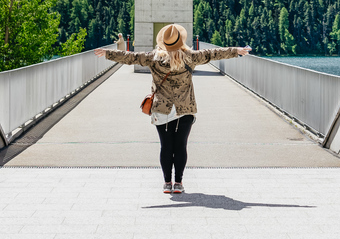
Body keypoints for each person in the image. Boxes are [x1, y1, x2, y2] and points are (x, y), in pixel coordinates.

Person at [95, 24, 250, 194]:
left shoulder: (153, 58)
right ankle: (179, 183)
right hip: (185, 108)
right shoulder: (191, 57)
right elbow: (215, 54)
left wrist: (108, 53)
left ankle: (167, 183)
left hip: (162, 109)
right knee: (181, 146)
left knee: (166, 146)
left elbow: (130, 57)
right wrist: (237, 50)